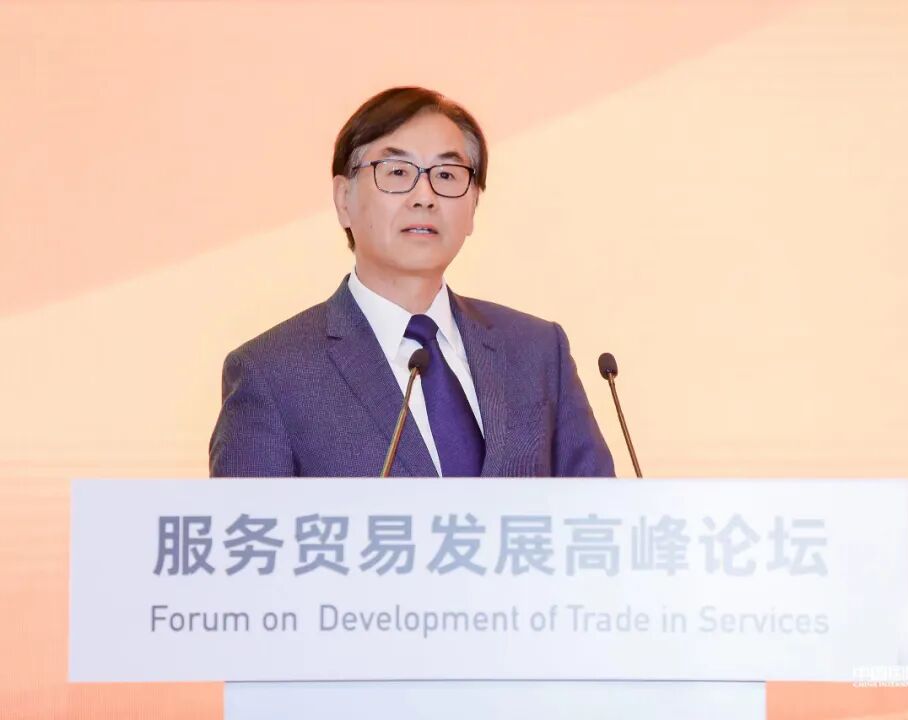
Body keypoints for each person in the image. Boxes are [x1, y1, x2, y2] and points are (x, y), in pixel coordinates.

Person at [210, 86, 614, 478]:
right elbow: (249, 524)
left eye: (447, 174)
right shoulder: (272, 373)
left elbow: (598, 514)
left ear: (474, 204)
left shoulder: (538, 352)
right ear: (343, 199)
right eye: (398, 172)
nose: (425, 196)